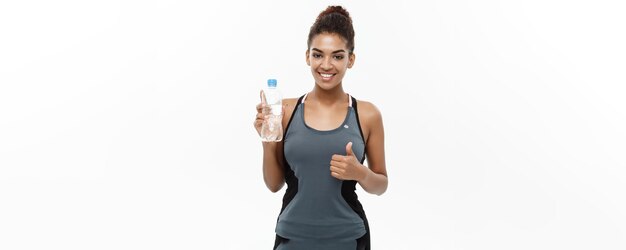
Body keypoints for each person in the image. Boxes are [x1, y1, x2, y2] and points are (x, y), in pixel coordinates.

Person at [254, 5, 388, 250]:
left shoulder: (367, 114)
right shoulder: (285, 111)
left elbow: (381, 184)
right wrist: (267, 138)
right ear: (307, 57)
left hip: (348, 240)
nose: (326, 65)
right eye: (318, 55)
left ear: (351, 60)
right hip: (292, 239)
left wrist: (360, 173)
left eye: (337, 56)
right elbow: (273, 184)